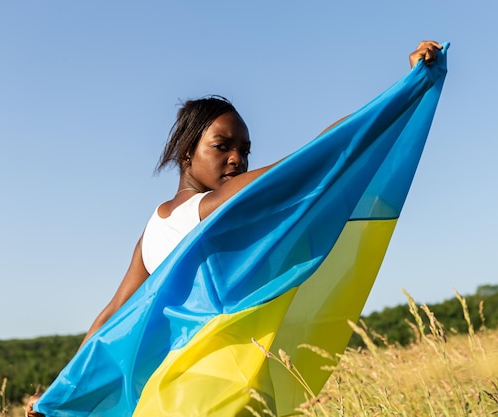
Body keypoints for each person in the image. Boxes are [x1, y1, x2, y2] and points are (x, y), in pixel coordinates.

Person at [25, 40, 442, 417]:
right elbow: (313, 155)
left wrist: (60, 392)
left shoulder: (155, 227)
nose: (236, 160)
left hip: (172, 392)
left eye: (244, 150)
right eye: (222, 146)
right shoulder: (208, 207)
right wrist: (403, 92)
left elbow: (110, 315)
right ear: (187, 152)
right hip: (223, 384)